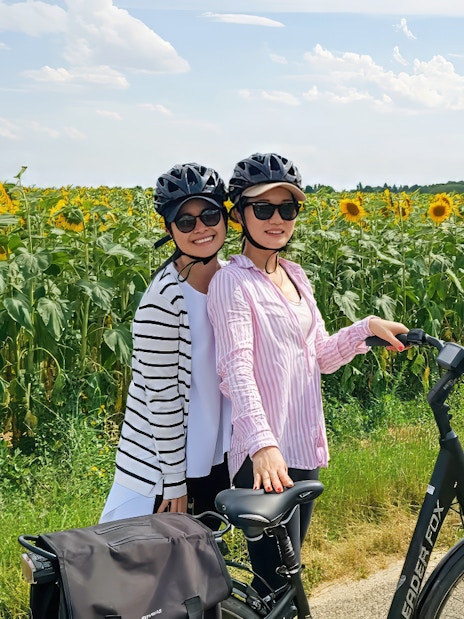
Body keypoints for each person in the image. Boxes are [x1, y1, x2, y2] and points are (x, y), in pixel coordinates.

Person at [206, 152, 409, 593]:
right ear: (239, 214)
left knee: (286, 584)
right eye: (263, 208)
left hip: (304, 450)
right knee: (275, 584)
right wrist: (262, 444)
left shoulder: (296, 276)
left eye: (288, 208)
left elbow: (318, 355)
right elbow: (236, 368)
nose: (276, 219)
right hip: (266, 459)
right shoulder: (231, 282)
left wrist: (365, 328)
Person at [100, 162, 232, 524]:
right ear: (169, 229)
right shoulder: (164, 298)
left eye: (209, 214)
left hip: (214, 457)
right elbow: (161, 396)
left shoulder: (233, 281)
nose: (201, 228)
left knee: (205, 566)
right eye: (186, 221)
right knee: (159, 573)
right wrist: (175, 482)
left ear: (225, 217)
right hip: (166, 468)